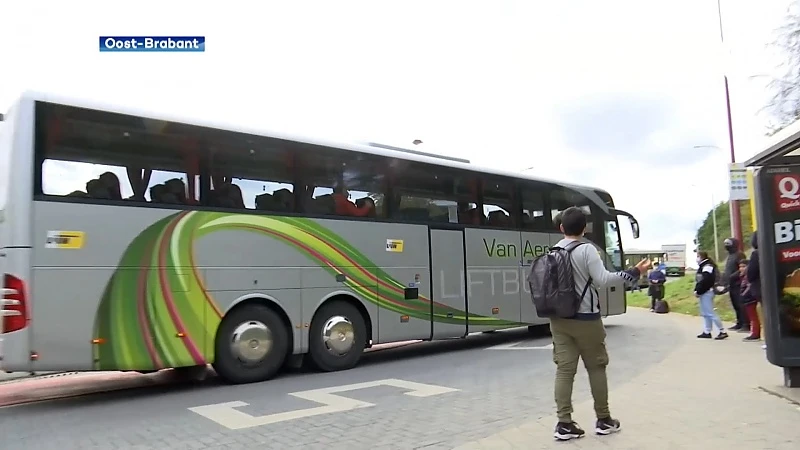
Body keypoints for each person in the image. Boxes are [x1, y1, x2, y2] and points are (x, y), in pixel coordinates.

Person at [550, 207, 649, 441]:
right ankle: (603, 420)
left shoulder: (553, 251)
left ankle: (564, 423)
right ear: (585, 228)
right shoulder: (587, 250)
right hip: (586, 319)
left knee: (564, 370)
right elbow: (603, 280)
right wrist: (633, 272)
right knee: (596, 367)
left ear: (562, 228)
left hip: (559, 319)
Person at [694, 251, 729, 340]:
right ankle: (707, 331)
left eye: (698, 256)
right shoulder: (704, 266)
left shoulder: (707, 266)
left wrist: (699, 291)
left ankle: (722, 331)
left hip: (707, 291)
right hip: (704, 291)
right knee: (705, 313)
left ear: (702, 257)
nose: (696, 259)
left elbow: (706, 280)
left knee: (710, 312)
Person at [722, 238, 748, 332]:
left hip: (738, 283)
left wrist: (733, 276)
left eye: (728, 244)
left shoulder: (739, 254)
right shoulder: (730, 256)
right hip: (731, 284)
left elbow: (742, 267)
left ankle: (746, 324)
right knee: (735, 305)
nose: (727, 246)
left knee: (741, 304)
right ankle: (739, 322)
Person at [744, 231, 762, 342]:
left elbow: (751, 273)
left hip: (760, 287)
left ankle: (767, 339)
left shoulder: (756, 254)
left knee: (762, 312)